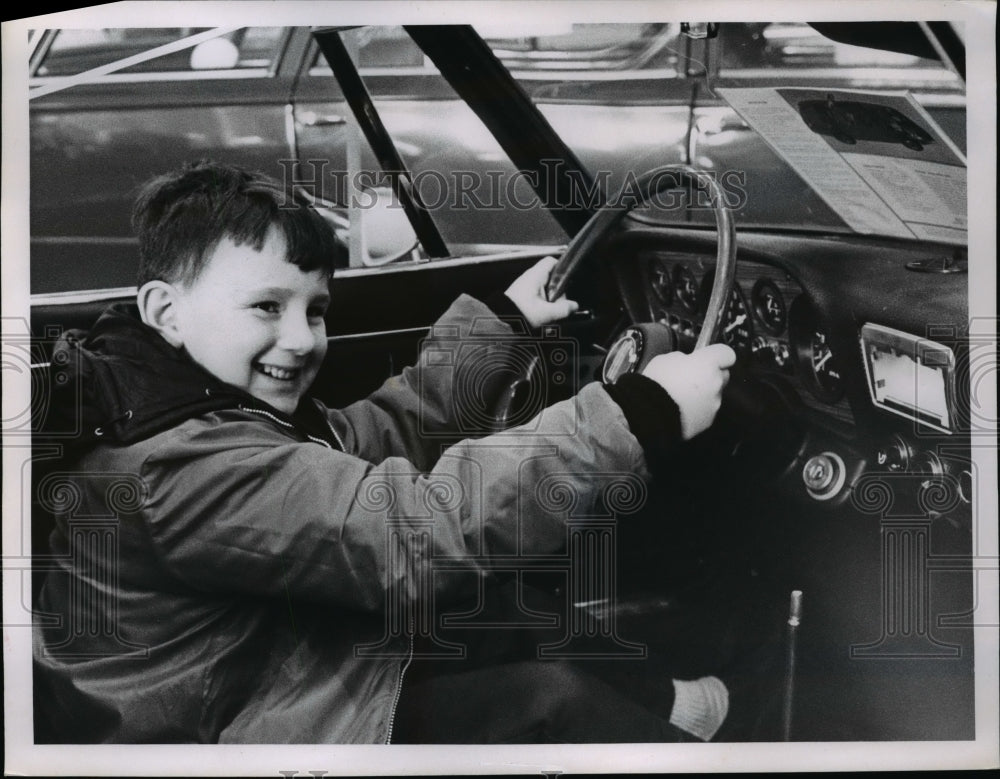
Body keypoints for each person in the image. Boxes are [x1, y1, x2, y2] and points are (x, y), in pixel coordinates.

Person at [32, 161, 737, 744]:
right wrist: (637, 415)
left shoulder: (189, 405)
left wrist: (504, 324)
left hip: (255, 674)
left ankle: (668, 709)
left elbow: (373, 435)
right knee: (545, 704)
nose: (301, 340)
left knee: (496, 610)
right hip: (222, 734)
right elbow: (414, 533)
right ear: (165, 311)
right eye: (267, 307)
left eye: (315, 310)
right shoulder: (179, 466)